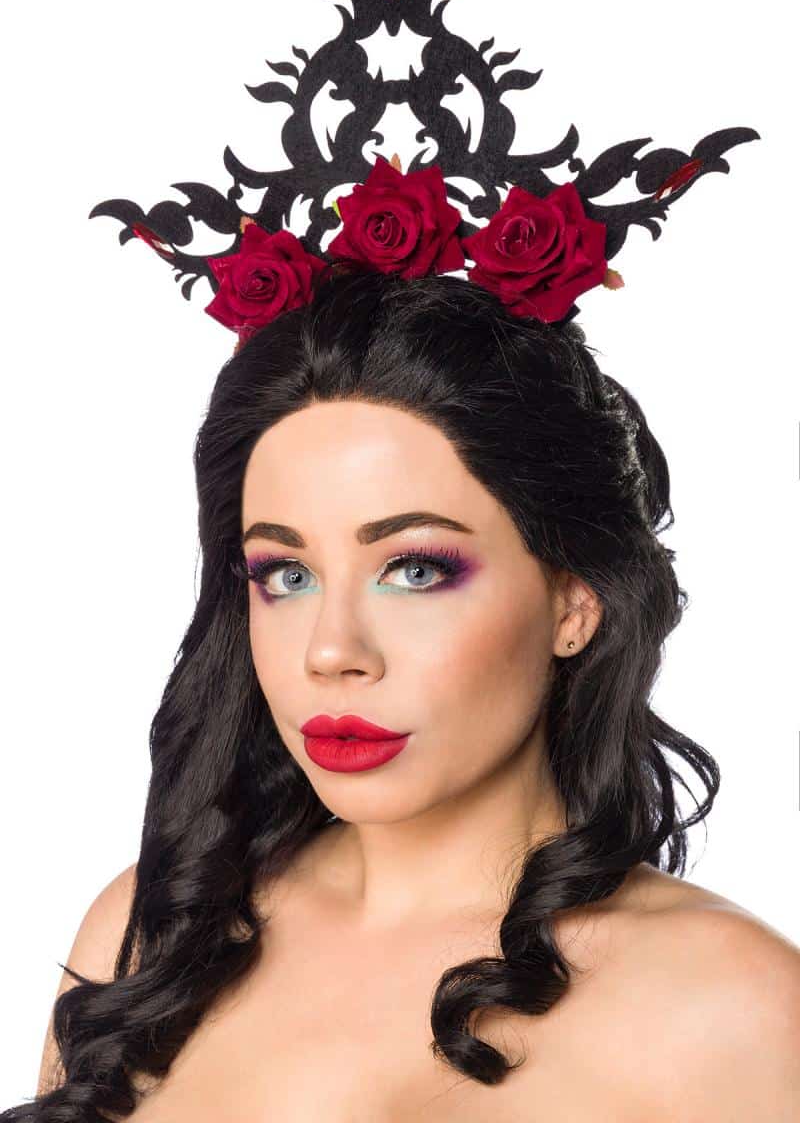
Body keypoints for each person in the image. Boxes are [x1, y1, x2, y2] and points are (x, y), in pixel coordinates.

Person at [14, 269, 800, 1122]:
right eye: (287, 574)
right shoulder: (153, 935)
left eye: (415, 570)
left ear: (575, 602)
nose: (331, 651)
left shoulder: (736, 1007)